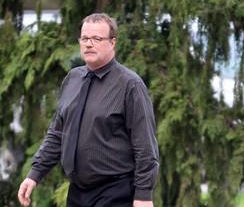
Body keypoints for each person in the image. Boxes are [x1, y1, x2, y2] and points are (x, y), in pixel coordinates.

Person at [18, 13, 159, 207]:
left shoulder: (130, 85)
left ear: (113, 42)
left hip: (115, 193)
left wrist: (143, 195)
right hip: (77, 193)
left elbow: (145, 146)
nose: (88, 44)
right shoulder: (72, 79)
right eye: (84, 38)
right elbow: (57, 133)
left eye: (97, 39)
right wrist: (34, 174)